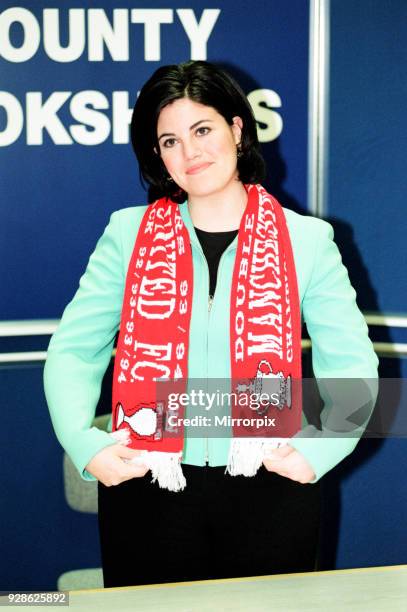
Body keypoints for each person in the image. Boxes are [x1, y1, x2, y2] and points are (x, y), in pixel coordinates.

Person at [44, 60, 379, 588]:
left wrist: (319, 452)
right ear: (157, 154)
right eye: (170, 141)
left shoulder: (306, 240)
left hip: (269, 481)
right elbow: (73, 351)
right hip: (147, 481)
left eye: (202, 130)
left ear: (237, 129)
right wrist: (88, 447)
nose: (190, 152)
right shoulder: (127, 234)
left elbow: (354, 365)